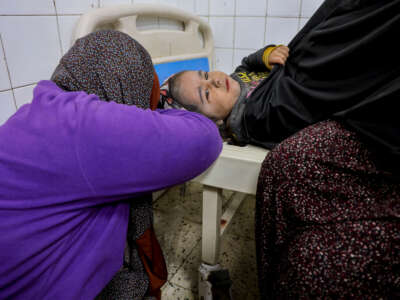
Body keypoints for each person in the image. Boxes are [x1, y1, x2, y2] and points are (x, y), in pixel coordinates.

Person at [161, 0, 400, 298]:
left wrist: (267, 54)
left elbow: (249, 62)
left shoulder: (235, 78)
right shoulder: (246, 117)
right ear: (216, 123)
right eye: (207, 92)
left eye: (205, 74)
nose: (216, 80)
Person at [0, 30, 222, 300]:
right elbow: (206, 140)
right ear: (126, 80)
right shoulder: (86, 127)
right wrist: (164, 112)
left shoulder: (42, 109)